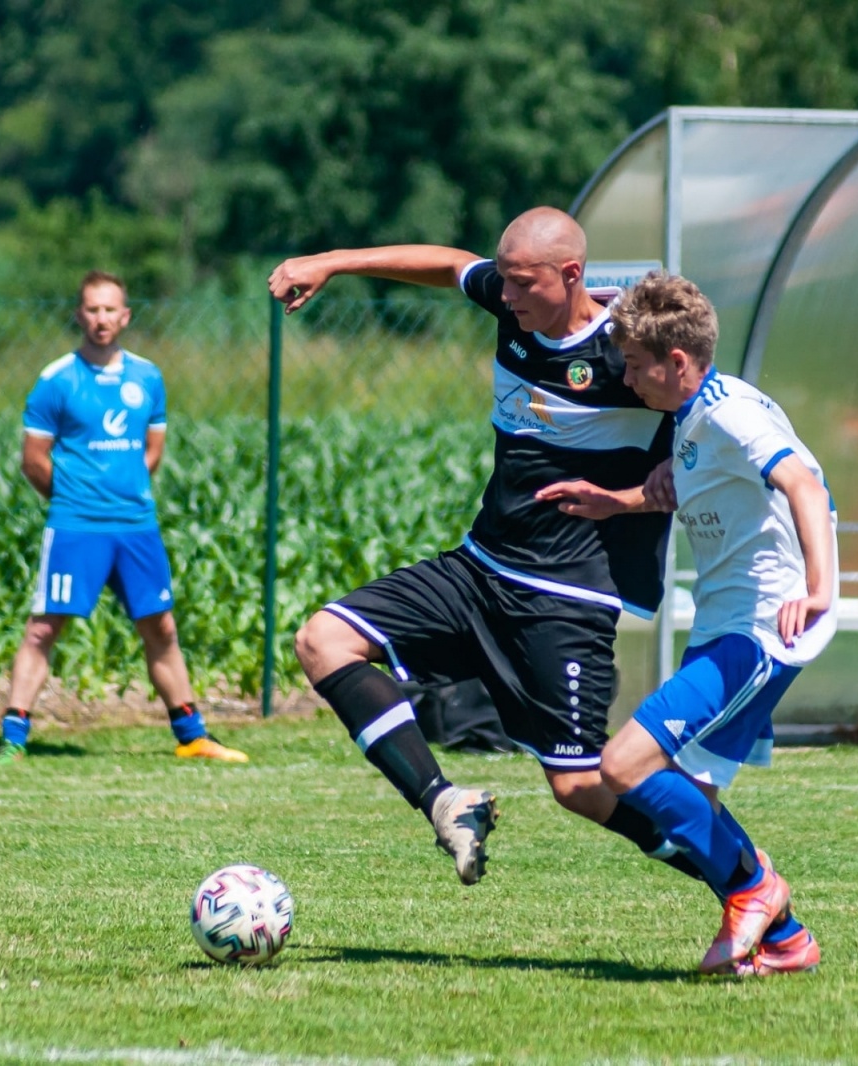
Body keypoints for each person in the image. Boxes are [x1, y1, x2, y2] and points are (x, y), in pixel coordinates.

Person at [269, 208, 705, 889]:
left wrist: (658, 482)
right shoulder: (513, 313)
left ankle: (742, 879)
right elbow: (447, 263)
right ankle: (446, 802)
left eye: (522, 283)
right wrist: (333, 261)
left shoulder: (626, 352)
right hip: (477, 569)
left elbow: (715, 423)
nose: (505, 297)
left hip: (563, 597)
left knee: (581, 786)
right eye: (501, 281)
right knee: (323, 640)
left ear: (570, 276)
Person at [534, 272, 835, 977]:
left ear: (676, 362)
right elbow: (692, 485)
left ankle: (757, 887)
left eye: (636, 366)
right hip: (728, 620)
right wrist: (620, 500)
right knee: (691, 806)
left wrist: (817, 588)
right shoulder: (695, 414)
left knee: (623, 765)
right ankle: (788, 939)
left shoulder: (731, 414)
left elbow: (803, 484)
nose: (628, 379)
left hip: (763, 627)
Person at [0, 271, 246, 765]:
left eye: (111, 310)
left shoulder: (147, 377)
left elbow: (153, 451)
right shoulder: (56, 380)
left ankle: (193, 736)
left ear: (125, 316)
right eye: (92, 309)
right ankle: (13, 738)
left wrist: (122, 489)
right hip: (75, 525)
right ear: (78, 314)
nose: (101, 318)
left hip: (136, 525)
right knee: (43, 630)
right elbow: (33, 460)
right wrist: (73, 498)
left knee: (162, 628)